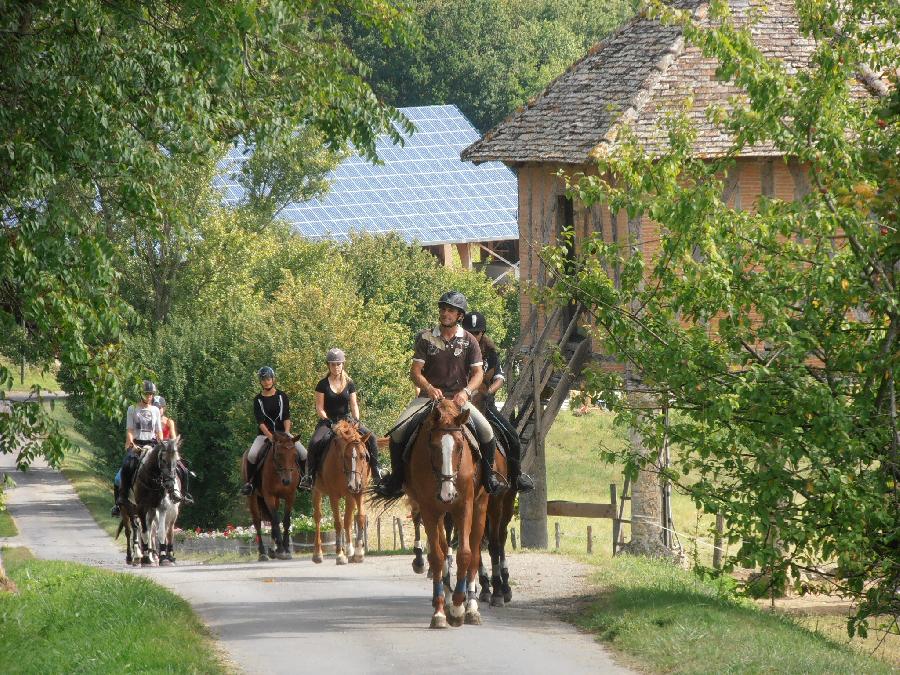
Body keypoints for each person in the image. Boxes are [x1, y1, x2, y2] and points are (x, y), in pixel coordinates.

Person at [376, 290, 503, 498]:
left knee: (488, 432)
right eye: (443, 309)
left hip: (458, 401)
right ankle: (396, 480)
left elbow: (478, 374)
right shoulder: (426, 338)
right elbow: (415, 372)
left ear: (460, 315)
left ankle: (489, 478)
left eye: (450, 310)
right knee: (397, 433)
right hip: (428, 400)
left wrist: (467, 391)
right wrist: (428, 388)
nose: (445, 313)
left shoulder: (469, 341)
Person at [463, 311, 535, 493]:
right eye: (469, 332)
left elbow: (500, 378)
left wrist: (489, 392)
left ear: (483, 332)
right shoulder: (457, 350)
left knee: (513, 437)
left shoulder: (491, 354)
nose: (473, 335)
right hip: (460, 404)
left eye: (477, 332)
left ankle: (516, 477)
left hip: (484, 405)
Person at [298, 348, 383, 490]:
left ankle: (376, 471)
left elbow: (354, 404)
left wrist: (356, 419)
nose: (336, 367)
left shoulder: (349, 383)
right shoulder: (322, 384)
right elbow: (319, 407)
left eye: (338, 364)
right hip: (328, 421)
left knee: (372, 437)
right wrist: (327, 420)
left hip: (347, 419)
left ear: (343, 364)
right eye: (333, 364)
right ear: (328, 365)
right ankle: (309, 476)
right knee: (314, 442)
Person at [240, 366, 306, 495]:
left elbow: (286, 416)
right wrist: (270, 437)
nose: (266, 382)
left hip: (283, 433)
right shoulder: (258, 399)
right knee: (252, 455)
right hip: (265, 435)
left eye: (268, 379)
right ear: (260, 381)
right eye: (263, 379)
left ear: (273, 379)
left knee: (303, 453)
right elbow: (260, 422)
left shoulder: (282, 396)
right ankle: (250, 483)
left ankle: (304, 479)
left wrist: (287, 433)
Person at [111, 380, 164, 517]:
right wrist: (131, 443)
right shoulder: (132, 409)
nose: (149, 397)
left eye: (151, 394)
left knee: (165, 467)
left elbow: (159, 432)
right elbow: (129, 430)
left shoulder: (156, 410)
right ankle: (120, 500)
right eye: (147, 394)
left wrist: (161, 444)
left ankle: (167, 496)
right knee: (125, 467)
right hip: (137, 445)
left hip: (152, 445)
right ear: (141, 394)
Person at [153, 394, 193, 505]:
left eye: (159, 407)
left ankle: (184, 494)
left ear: (164, 408)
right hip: (153, 450)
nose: (157, 410)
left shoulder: (169, 422)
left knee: (184, 470)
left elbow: (173, 439)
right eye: (155, 407)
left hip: (167, 451)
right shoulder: (149, 420)